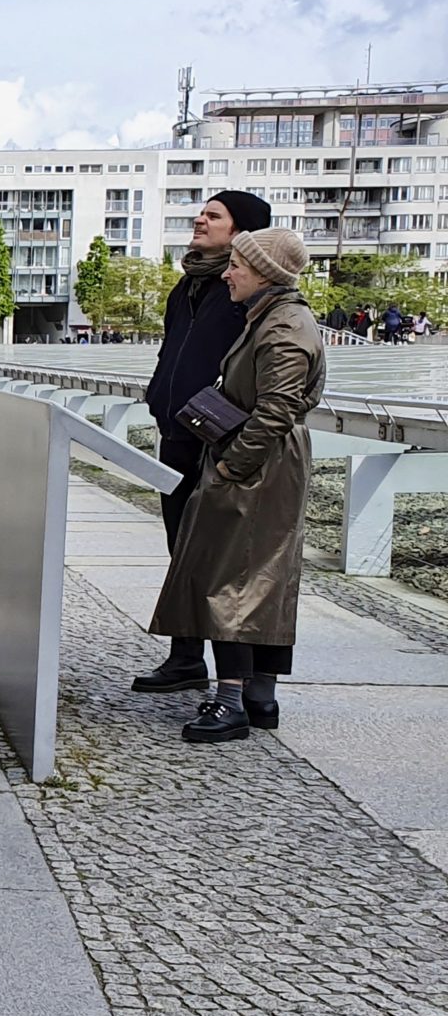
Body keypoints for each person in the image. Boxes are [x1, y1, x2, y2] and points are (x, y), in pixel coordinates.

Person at [148, 228, 323, 743]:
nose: (228, 273)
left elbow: (275, 412)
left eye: (238, 266)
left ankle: (231, 703)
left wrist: (229, 469)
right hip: (259, 464)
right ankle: (258, 697)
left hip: (257, 468)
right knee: (258, 577)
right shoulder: (271, 318)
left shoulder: (284, 327)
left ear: (265, 273)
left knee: (230, 579)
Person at [132, 190, 272, 694]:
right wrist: (157, 396)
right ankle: (185, 657)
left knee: (218, 557)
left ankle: (240, 680)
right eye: (202, 213)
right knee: (180, 548)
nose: (200, 220)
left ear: (242, 232)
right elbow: (174, 350)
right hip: (177, 433)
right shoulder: (186, 286)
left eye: (213, 215)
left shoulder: (244, 292)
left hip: (219, 441)